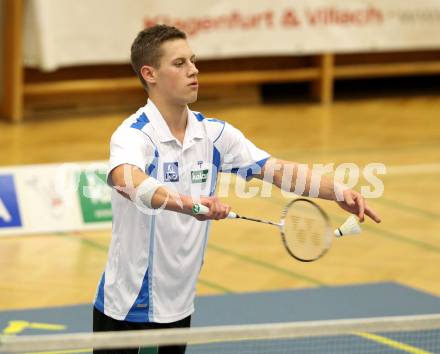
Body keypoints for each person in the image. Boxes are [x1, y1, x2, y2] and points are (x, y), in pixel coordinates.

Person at [92, 24, 381, 354]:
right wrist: (188, 204)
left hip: (179, 304)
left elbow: (277, 170)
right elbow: (126, 179)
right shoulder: (135, 134)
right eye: (179, 63)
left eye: (193, 60)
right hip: (131, 306)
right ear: (150, 73)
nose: (193, 70)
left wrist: (339, 191)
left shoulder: (214, 135)